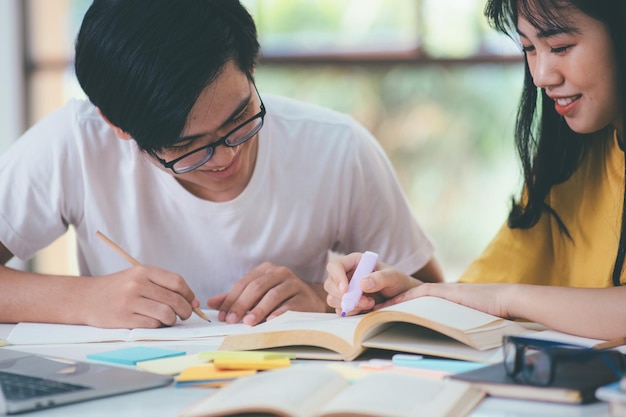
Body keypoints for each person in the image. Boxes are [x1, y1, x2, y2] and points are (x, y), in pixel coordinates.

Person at [0, 0, 442, 329]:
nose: (228, 155)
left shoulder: (336, 148)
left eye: (240, 118)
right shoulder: (76, 145)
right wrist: (86, 300)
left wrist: (322, 300)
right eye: (188, 147)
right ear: (118, 126)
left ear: (251, 67)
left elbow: (435, 300)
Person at [325, 0, 626, 340]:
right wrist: (406, 294)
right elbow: (481, 290)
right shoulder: (569, 160)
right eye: (528, 48)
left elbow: (496, 295)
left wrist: (505, 299)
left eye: (560, 47)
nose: (541, 76)